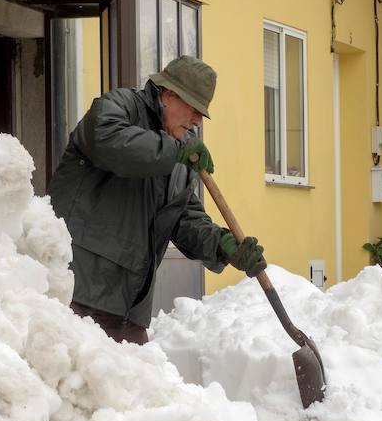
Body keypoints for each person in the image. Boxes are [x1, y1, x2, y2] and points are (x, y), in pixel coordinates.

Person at [48, 55, 267, 344]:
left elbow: (184, 219)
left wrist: (224, 246)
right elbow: (105, 138)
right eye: (193, 108)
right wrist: (172, 151)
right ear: (167, 95)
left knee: (143, 387)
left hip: (128, 310)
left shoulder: (179, 154)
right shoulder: (121, 107)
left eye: (202, 113)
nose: (197, 121)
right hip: (75, 293)